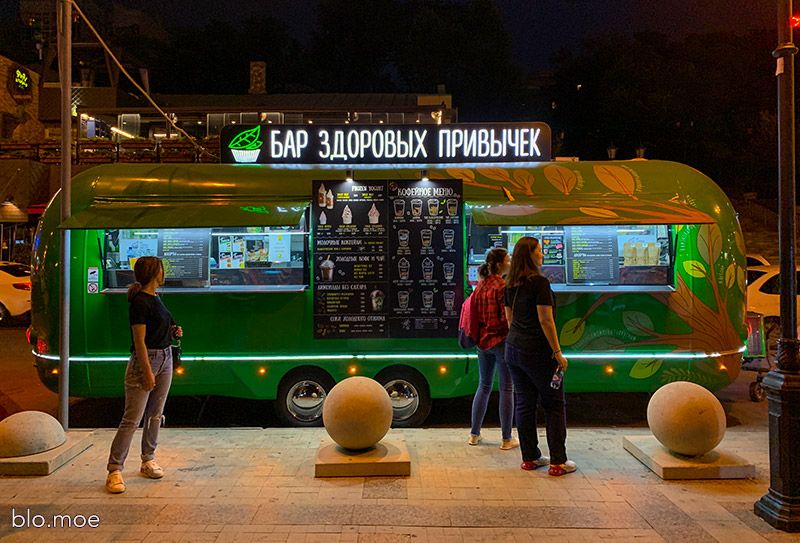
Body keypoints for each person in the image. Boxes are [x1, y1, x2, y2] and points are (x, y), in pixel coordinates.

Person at [106, 256, 182, 493]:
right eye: (161, 269)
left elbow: (159, 326)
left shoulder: (156, 297)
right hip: (146, 361)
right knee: (132, 418)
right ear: (153, 273)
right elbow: (139, 341)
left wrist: (173, 330)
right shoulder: (140, 301)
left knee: (155, 414)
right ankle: (114, 469)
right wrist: (147, 371)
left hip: (166, 357)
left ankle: (148, 459)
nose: (164, 272)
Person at [504, 236, 576, 476]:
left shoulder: (509, 284)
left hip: (513, 350)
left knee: (524, 403)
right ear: (530, 255)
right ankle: (558, 462)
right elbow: (546, 320)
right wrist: (557, 352)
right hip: (538, 352)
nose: (542, 254)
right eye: (539, 250)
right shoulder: (540, 283)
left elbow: (510, 319)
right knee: (554, 405)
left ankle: (530, 458)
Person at [468, 247, 517, 450]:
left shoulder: (480, 286)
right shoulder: (502, 287)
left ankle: (474, 434)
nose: (510, 262)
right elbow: (505, 319)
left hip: (482, 343)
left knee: (484, 386)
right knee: (506, 388)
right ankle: (506, 439)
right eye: (508, 259)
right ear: (499, 264)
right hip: (501, 342)